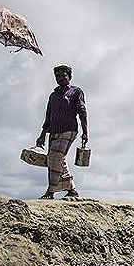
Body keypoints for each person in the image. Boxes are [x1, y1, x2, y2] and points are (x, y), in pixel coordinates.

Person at [35, 65, 88, 199]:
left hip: (69, 129)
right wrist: (42, 135)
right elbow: (48, 116)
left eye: (63, 75)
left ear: (69, 77)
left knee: (55, 158)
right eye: (57, 76)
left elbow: (82, 112)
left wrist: (85, 131)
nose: (60, 78)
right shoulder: (53, 95)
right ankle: (72, 190)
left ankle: (50, 191)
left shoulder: (76, 92)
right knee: (57, 159)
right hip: (54, 131)